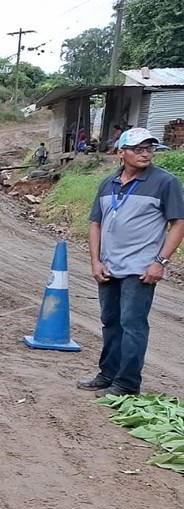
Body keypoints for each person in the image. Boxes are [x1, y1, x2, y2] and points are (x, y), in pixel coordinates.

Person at [77, 127, 184, 397]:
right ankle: (107, 375)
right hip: (109, 266)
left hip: (140, 269)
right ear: (120, 152)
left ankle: (126, 384)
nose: (145, 153)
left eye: (149, 148)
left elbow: (179, 223)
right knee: (110, 321)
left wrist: (159, 262)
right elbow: (95, 224)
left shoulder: (165, 182)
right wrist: (95, 261)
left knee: (132, 324)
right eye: (138, 149)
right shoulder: (108, 183)